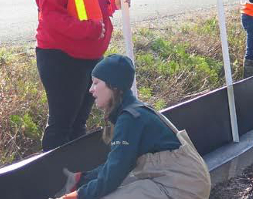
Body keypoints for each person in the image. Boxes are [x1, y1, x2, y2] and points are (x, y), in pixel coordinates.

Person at [33, 0, 132, 151]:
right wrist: (87, 30)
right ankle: (53, 179)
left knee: (79, 121)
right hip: (60, 58)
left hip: (89, 57)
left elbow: (93, 6)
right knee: (61, 123)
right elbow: (51, 17)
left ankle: (75, 176)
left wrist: (113, 4)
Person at [56, 54, 211, 199]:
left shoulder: (130, 119)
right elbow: (117, 164)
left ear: (113, 85)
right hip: (183, 180)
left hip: (182, 187)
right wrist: (84, 178)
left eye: (96, 83)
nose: (91, 89)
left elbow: (114, 175)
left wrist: (78, 195)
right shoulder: (135, 110)